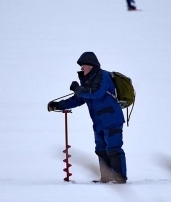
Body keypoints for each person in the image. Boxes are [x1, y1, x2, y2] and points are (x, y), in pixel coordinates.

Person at [48, 52, 127, 183]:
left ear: (91, 65)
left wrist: (78, 89)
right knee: (101, 150)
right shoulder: (87, 81)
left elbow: (96, 93)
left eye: (83, 65)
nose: (82, 68)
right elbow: (79, 99)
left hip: (112, 119)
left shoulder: (103, 76)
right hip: (99, 122)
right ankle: (106, 179)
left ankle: (119, 179)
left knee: (113, 148)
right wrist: (58, 105)